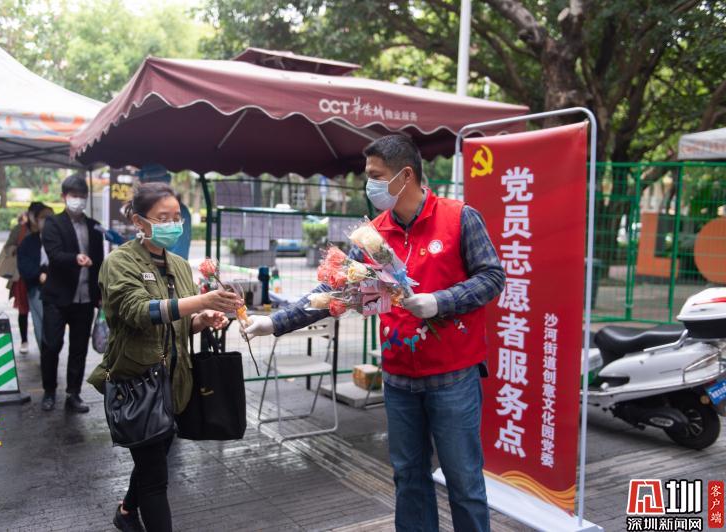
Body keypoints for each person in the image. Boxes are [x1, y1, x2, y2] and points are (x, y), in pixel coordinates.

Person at [246, 134, 505, 532]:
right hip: (399, 378)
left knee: (464, 482)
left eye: (376, 176)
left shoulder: (459, 218)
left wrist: (440, 301)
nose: (370, 185)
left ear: (406, 175)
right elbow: (335, 291)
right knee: (408, 477)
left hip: (453, 377)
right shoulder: (373, 236)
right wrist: (275, 322)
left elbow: (492, 277)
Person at [87, 182, 243, 532]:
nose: (173, 224)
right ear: (139, 221)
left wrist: (203, 319)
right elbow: (138, 312)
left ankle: (126, 511)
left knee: (153, 457)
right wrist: (201, 301)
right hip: (139, 385)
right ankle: (132, 515)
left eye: (177, 217)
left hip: (175, 384)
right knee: (156, 478)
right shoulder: (119, 262)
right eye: (163, 218)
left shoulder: (180, 265)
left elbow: (180, 324)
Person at [40, 175, 104, 413]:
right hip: (57, 297)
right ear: (63, 197)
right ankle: (49, 391)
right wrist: (76, 258)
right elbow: (54, 254)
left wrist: (101, 294)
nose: (78, 200)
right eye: (74, 196)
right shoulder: (53, 223)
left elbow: (99, 262)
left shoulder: (94, 226)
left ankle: (73, 394)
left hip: (85, 299)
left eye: (82, 196)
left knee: (79, 348)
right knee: (51, 346)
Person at [16, 202, 53, 350]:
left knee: (53, 325)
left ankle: (50, 352)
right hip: (36, 288)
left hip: (58, 288)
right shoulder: (29, 241)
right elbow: (23, 264)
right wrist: (39, 274)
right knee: (40, 322)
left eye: (50, 217)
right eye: (43, 218)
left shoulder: (61, 239)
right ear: (36, 220)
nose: (47, 221)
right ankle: (46, 353)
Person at [0, 210, 31, 354]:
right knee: (23, 311)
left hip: (42, 278)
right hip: (22, 277)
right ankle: (24, 340)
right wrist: (17, 249)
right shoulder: (19, 230)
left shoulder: (48, 230)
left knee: (44, 312)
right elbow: (8, 248)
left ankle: (44, 341)